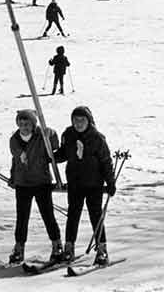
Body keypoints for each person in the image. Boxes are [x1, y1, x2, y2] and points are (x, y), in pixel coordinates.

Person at [59, 105, 116, 265]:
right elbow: (64, 153)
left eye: (82, 120)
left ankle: (102, 249)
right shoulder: (68, 135)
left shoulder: (97, 138)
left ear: (88, 121)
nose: (78, 123)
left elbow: (106, 161)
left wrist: (110, 182)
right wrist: (52, 157)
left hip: (93, 183)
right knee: (73, 215)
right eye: (75, 120)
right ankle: (69, 248)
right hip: (75, 182)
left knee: (95, 215)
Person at [7, 109, 64, 266]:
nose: (24, 127)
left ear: (33, 125)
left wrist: (51, 133)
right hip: (23, 183)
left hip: (41, 182)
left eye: (27, 124)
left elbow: (54, 146)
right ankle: (19, 248)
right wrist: (13, 177)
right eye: (21, 124)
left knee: (48, 215)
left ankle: (57, 244)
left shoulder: (41, 136)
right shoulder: (14, 140)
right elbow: (15, 160)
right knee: (22, 218)